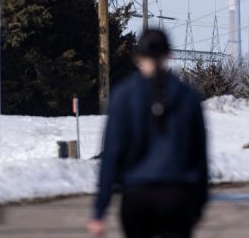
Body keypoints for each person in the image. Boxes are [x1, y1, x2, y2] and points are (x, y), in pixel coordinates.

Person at [87, 29, 209, 238]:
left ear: (137, 57)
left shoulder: (123, 96)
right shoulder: (188, 96)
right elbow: (199, 155)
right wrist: (199, 203)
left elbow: (113, 153)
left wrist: (100, 209)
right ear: (169, 54)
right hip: (177, 196)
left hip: (136, 196)